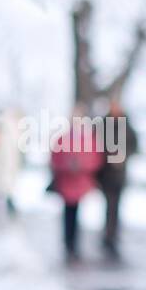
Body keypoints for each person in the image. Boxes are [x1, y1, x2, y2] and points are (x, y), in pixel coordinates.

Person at [49, 103, 102, 263]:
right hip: (67, 182)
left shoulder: (88, 139)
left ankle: (74, 243)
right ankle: (68, 242)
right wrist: (67, 166)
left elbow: (95, 158)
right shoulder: (63, 138)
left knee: (77, 214)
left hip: (80, 183)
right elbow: (55, 158)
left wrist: (81, 166)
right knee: (68, 213)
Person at [97, 94, 139, 259]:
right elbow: (96, 145)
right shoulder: (103, 124)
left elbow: (135, 144)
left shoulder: (127, 124)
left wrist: (124, 156)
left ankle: (113, 235)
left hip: (120, 174)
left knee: (116, 206)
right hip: (105, 173)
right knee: (108, 205)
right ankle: (108, 235)